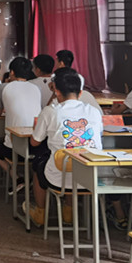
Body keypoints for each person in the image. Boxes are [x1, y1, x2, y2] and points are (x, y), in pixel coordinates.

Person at [26, 68, 104, 226]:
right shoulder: (94, 112)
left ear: (56, 91)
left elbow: (34, 142)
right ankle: (69, 212)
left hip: (58, 177)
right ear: (80, 93)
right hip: (91, 177)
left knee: (38, 166)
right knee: (74, 163)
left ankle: (40, 212)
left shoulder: (50, 112)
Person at [0, 57, 43, 192]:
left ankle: (17, 178)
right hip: (38, 145)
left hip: (15, 147)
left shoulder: (3, 87)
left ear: (12, 72)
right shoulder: (35, 88)